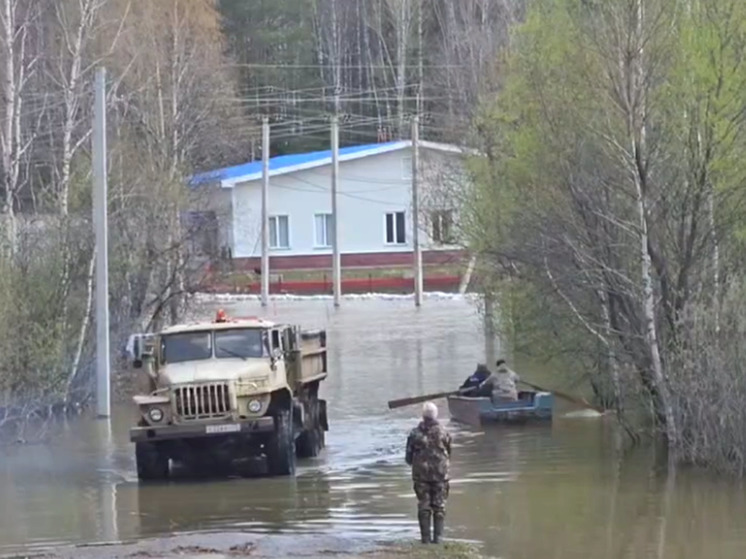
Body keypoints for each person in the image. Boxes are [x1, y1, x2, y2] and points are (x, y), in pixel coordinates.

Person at [405, 401, 452, 544]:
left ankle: (425, 539)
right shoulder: (444, 432)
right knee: (439, 506)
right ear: (435, 415)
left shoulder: (414, 434)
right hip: (440, 475)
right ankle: (439, 538)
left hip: (421, 475)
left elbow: (408, 457)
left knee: (424, 506)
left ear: (423, 416)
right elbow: (449, 452)